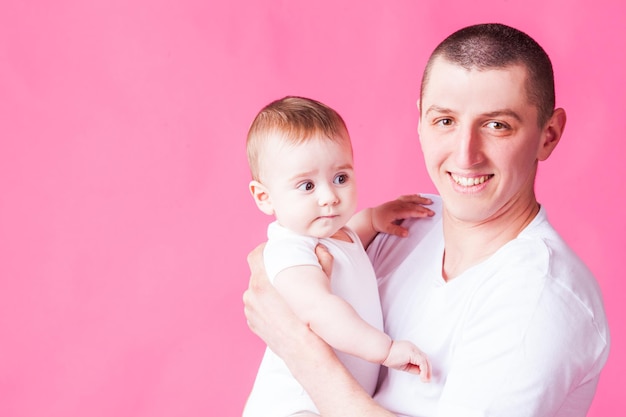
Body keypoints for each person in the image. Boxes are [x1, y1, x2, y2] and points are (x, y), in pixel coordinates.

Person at [243, 24, 611, 417]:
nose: (466, 155)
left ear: (548, 135)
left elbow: (285, 316)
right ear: (420, 121)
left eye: (497, 125)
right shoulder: (408, 225)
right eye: (445, 121)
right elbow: (283, 263)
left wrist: (298, 347)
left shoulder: (539, 299)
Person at [242, 96, 434, 417]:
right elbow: (319, 309)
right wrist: (384, 350)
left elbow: (348, 243)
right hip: (296, 406)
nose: (329, 197)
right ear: (265, 197)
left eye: (340, 178)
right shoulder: (289, 249)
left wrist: (375, 217)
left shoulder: (332, 236)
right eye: (306, 186)